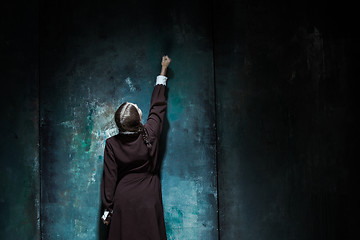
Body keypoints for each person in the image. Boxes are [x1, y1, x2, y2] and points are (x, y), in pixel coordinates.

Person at [100, 55, 171, 240]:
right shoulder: (151, 132)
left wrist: (108, 210)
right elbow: (158, 107)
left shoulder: (111, 144)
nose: (139, 108)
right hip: (149, 197)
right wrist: (163, 70)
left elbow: (109, 180)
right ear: (139, 119)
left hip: (124, 199)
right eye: (136, 108)